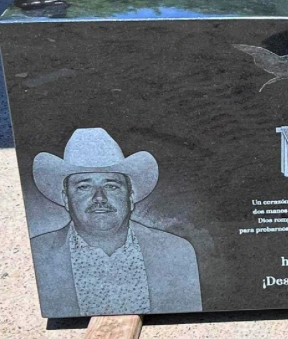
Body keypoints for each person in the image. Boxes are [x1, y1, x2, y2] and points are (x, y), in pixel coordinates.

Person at [30, 128, 203, 317]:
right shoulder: (37, 255)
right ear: (66, 198)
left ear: (131, 196)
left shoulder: (177, 253)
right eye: (84, 186)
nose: (99, 197)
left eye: (111, 185)